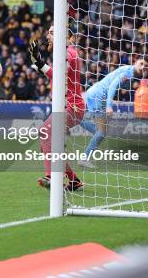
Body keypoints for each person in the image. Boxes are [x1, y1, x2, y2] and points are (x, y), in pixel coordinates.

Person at [28, 25, 85, 191]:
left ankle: (51, 176)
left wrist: (39, 62)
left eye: (52, 32)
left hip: (72, 106)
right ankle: (74, 181)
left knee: (45, 132)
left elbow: (60, 73)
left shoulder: (69, 52)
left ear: (66, 36)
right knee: (53, 146)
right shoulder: (63, 53)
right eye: (48, 32)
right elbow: (55, 73)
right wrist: (39, 62)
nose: (48, 36)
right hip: (66, 106)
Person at [78, 58, 148, 168]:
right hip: (99, 96)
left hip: (93, 93)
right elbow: (112, 86)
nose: (143, 67)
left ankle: (77, 120)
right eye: (141, 63)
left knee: (99, 132)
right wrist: (109, 106)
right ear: (135, 62)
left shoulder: (127, 70)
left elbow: (110, 82)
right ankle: (84, 158)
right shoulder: (128, 71)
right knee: (101, 133)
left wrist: (110, 101)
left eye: (145, 66)